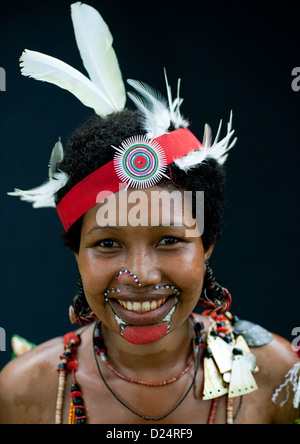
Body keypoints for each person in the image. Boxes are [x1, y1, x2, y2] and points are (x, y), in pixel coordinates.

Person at [0, 2, 299, 425]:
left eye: (169, 240)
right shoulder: (23, 393)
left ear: (207, 244)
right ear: (76, 253)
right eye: (107, 243)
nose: (140, 274)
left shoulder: (279, 378)